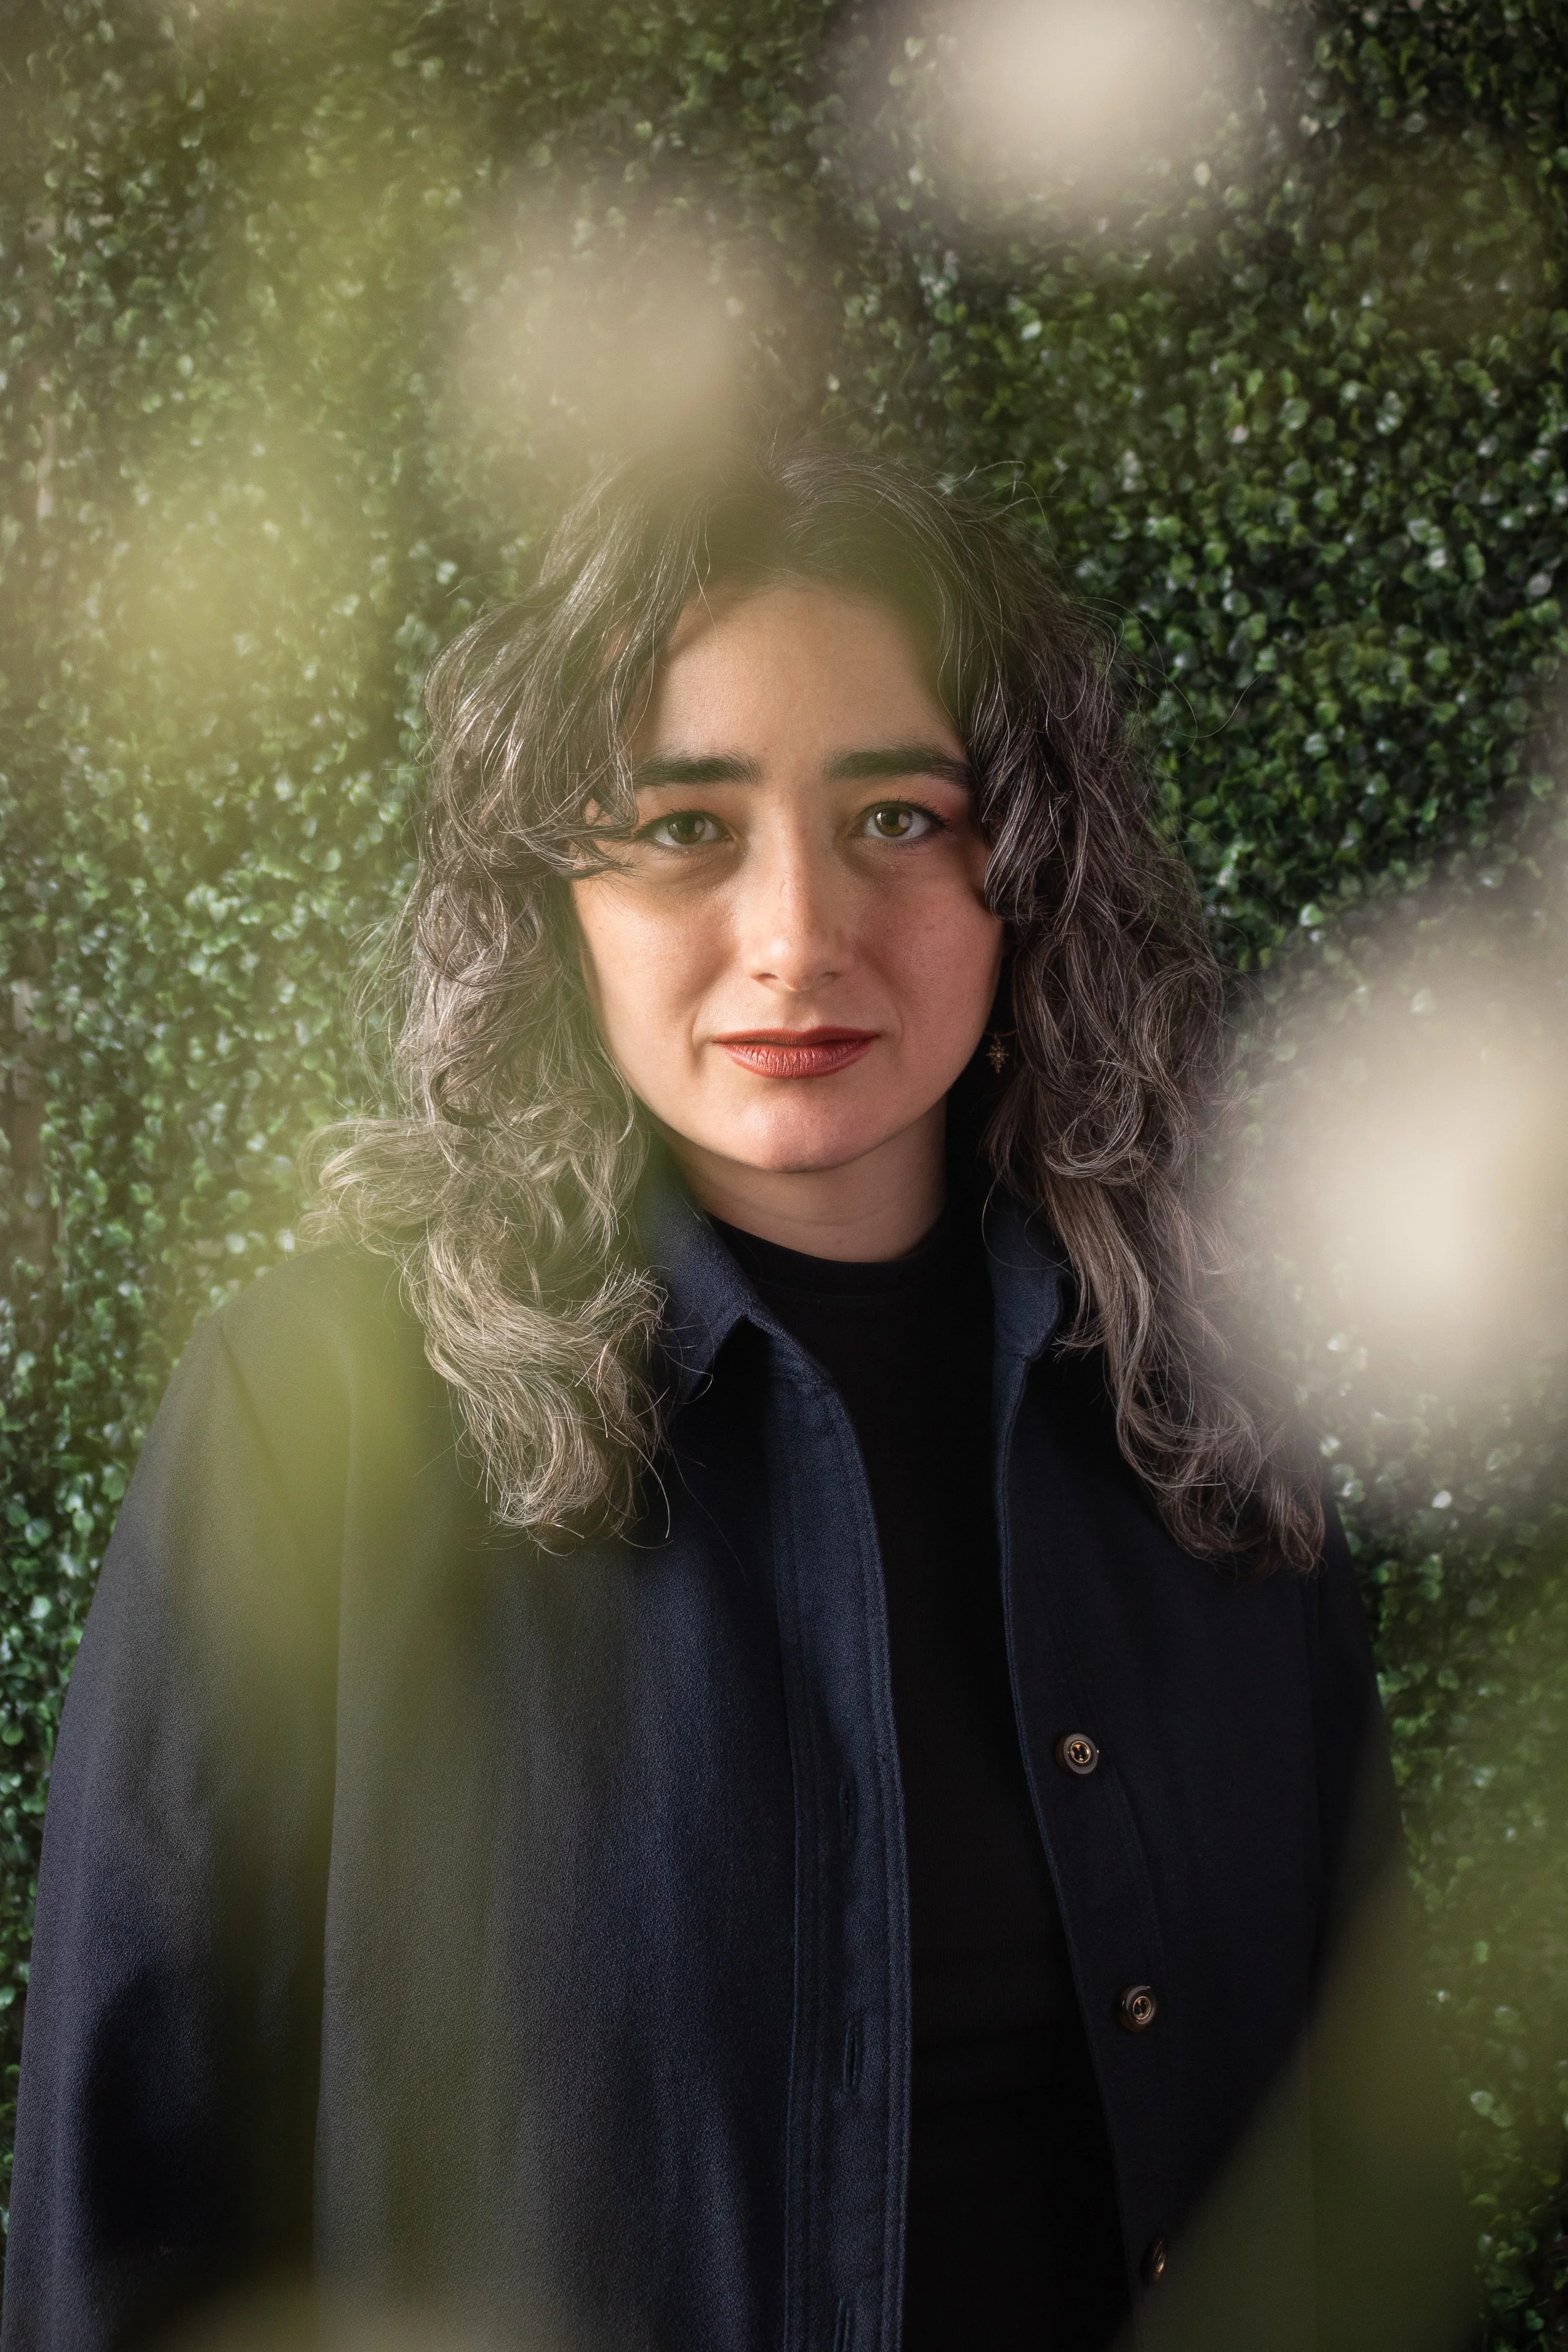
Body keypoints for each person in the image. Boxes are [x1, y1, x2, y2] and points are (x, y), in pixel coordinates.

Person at [4, 443, 1471, 2352]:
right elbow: (128, 2211)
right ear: (556, 903)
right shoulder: (317, 1416)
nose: (795, 934)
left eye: (898, 817)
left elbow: (1369, 2185)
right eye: (682, 827)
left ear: (1024, 867)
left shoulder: (1204, 1417)